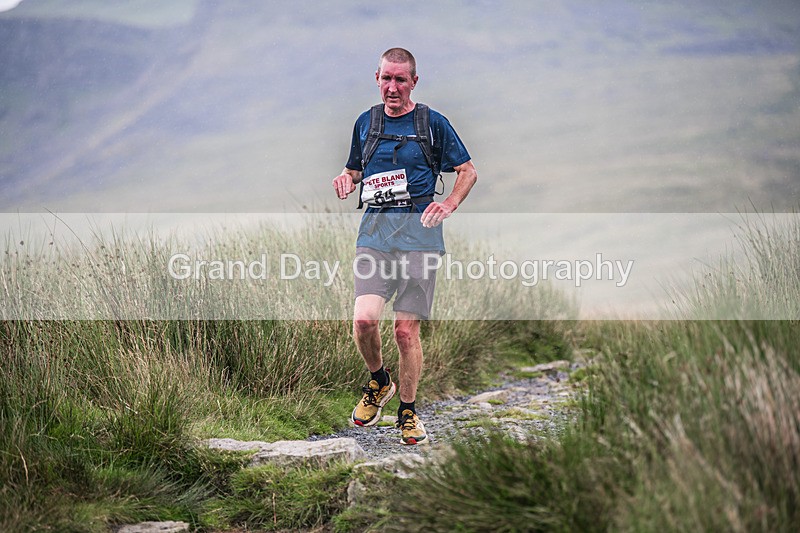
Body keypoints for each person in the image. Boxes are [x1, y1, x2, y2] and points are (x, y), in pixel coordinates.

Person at [332, 47, 477, 445]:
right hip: (375, 234)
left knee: (404, 332)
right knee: (363, 321)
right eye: (386, 78)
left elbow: (467, 171)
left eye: (400, 79)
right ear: (376, 77)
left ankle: (408, 414)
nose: (392, 87)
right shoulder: (367, 123)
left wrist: (447, 203)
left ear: (414, 81)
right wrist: (346, 179)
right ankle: (380, 382)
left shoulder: (433, 123)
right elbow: (354, 168)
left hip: (420, 239)